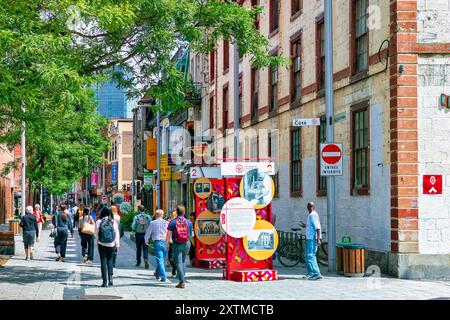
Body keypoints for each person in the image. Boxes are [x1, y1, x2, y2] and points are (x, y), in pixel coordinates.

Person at [166, 205, 193, 289]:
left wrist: (167, 243)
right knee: (183, 260)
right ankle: (182, 277)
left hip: (177, 244)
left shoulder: (173, 222)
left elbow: (168, 234)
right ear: (184, 212)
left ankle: (181, 281)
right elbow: (191, 234)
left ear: (177, 212)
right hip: (186, 243)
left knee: (178, 262)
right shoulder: (188, 222)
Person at [95, 207, 120, 287]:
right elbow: (116, 234)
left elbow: (95, 233)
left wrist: (98, 239)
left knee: (103, 261)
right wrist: (117, 244)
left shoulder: (99, 221)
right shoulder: (113, 222)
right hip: (111, 244)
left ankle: (104, 281)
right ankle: (110, 278)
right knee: (110, 260)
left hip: (101, 243)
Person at [299, 202, 323, 280]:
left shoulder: (313, 215)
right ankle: (311, 273)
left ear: (314, 207)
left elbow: (318, 228)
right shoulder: (311, 215)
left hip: (313, 239)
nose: (309, 207)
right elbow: (312, 226)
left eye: (311, 206)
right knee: (307, 256)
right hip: (310, 239)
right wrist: (305, 226)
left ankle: (316, 273)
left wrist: (318, 239)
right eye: (308, 206)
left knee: (311, 256)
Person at [145, 209, 169, 282]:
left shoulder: (153, 223)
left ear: (156, 215)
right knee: (163, 260)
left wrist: (146, 241)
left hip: (157, 242)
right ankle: (158, 274)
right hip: (165, 242)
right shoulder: (166, 223)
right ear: (162, 215)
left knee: (160, 260)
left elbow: (148, 233)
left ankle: (163, 276)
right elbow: (169, 233)